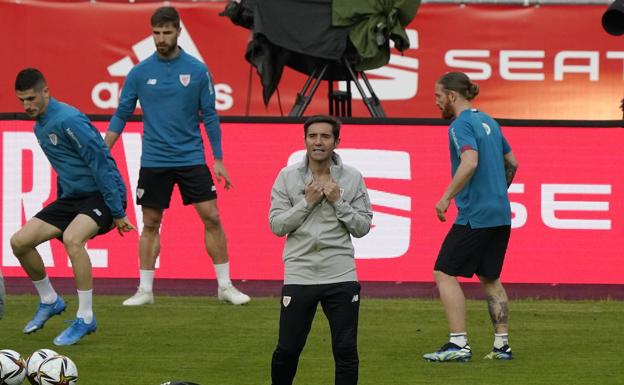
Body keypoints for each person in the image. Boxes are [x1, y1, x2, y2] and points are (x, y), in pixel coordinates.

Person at [105, 6, 249, 306]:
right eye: (156, 32)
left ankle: (225, 286)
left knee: (211, 217)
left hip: (191, 158)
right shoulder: (139, 72)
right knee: (150, 222)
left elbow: (209, 116)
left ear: (178, 32)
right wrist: (104, 148)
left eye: (166, 32)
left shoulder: (197, 70)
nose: (160, 38)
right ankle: (145, 290)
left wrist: (218, 159)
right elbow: (122, 113)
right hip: (154, 160)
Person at [12, 68, 135, 345]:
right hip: (73, 198)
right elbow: (64, 166)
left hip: (104, 194)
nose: (27, 105)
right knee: (20, 242)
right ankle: (50, 300)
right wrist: (61, 200)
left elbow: (101, 162)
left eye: (31, 98)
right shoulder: (39, 126)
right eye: (22, 101)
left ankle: (86, 317)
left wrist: (117, 211)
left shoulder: (68, 119)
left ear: (46, 91)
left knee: (73, 239)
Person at [269, 115, 373, 385]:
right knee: (288, 350)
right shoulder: (287, 176)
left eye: (325, 137)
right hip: (299, 274)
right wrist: (307, 202)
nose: (318, 142)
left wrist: (339, 202)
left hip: (341, 274)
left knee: (346, 350)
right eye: (312, 136)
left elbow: (362, 227)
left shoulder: (352, 178)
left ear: (337, 141)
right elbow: (277, 225)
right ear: (305, 140)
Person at [423, 72, 519, 362]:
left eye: (439, 97)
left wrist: (446, 196)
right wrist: (498, 192)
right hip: (501, 213)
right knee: (490, 277)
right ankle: (502, 346)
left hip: (475, 214)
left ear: (452, 96)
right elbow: (512, 163)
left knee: (443, 272)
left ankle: (458, 344)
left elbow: (470, 161)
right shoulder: (489, 121)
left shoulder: (460, 124)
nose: (437, 102)